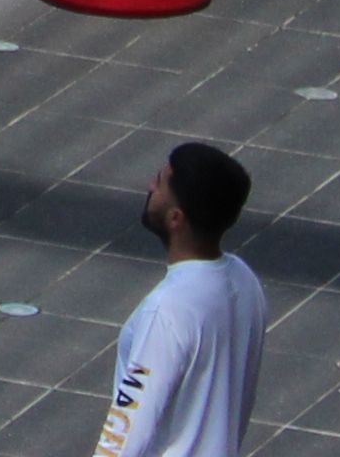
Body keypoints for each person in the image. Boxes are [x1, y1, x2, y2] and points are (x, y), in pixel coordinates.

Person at [89, 142, 264, 457]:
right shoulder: (244, 281)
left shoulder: (167, 311)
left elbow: (127, 430)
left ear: (175, 218)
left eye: (159, 182)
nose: (150, 187)